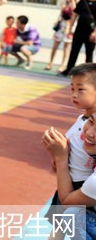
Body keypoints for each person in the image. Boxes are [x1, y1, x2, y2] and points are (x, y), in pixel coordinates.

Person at [43, 63, 96, 238]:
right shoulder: (82, 118)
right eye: (72, 88)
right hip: (68, 178)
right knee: (58, 226)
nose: (74, 94)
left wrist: (61, 158)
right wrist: (56, 156)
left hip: (82, 185)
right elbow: (70, 143)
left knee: (70, 220)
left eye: (81, 90)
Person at [60, 0, 96, 77]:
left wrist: (95, 33)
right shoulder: (82, 1)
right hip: (79, 31)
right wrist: (70, 28)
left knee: (89, 53)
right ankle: (69, 70)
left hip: (91, 33)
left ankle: (89, 74)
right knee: (74, 51)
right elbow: (74, 15)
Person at [47, 0, 79, 72]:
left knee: (66, 47)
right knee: (55, 45)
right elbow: (62, 10)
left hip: (70, 26)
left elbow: (74, 11)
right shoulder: (65, 0)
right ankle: (50, 62)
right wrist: (67, 2)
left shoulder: (79, 2)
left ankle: (62, 65)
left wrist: (73, 1)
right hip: (62, 25)